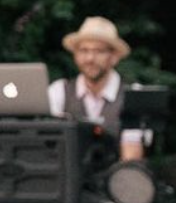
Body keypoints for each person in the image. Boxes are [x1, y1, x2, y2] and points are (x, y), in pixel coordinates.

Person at [49, 16, 142, 155]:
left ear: (114, 57)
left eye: (99, 51)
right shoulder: (59, 90)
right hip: (66, 167)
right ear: (75, 55)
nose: (90, 58)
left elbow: (132, 155)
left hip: (117, 167)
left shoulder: (133, 95)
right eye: (84, 50)